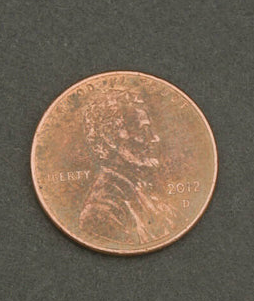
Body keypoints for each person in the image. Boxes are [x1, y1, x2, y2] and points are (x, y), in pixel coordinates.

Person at [78, 87, 182, 245]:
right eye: (143, 130)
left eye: (150, 130)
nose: (155, 138)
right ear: (109, 137)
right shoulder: (100, 213)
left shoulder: (145, 194)